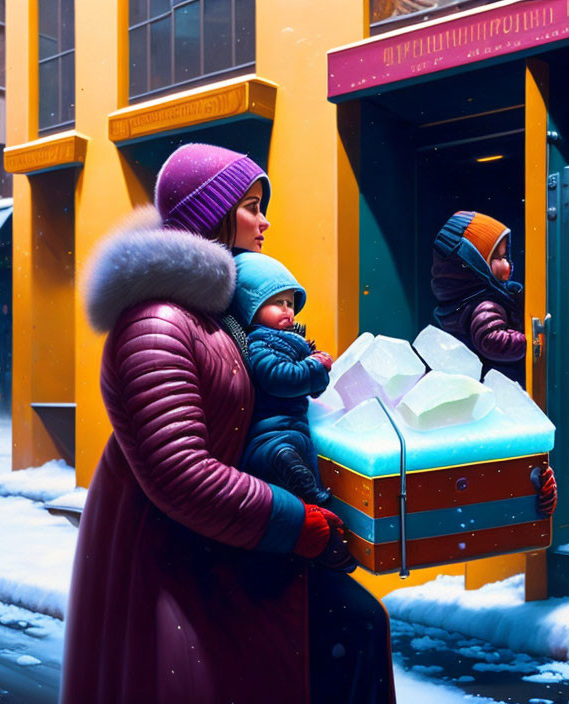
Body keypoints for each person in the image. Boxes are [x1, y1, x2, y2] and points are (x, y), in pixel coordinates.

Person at [62, 143, 395, 704]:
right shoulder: (158, 323)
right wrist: (297, 522)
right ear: (210, 215)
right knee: (342, 633)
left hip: (228, 544)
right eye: (249, 206)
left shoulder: (218, 316)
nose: (264, 221)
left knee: (354, 627)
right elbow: (180, 472)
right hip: (175, 561)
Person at [230, 252, 334, 506]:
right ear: (252, 308)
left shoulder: (287, 338)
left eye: (290, 303)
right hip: (270, 427)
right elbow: (277, 377)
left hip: (292, 423)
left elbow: (311, 388)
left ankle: (306, 486)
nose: (287, 310)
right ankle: (294, 472)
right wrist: (314, 368)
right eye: (278, 303)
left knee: (298, 450)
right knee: (281, 451)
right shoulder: (260, 341)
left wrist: (317, 368)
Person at [431, 211, 527, 383]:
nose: (507, 263)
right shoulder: (486, 305)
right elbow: (491, 340)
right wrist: (528, 340)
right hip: (497, 382)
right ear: (474, 265)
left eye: (505, 256)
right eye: (498, 258)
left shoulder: (469, 300)